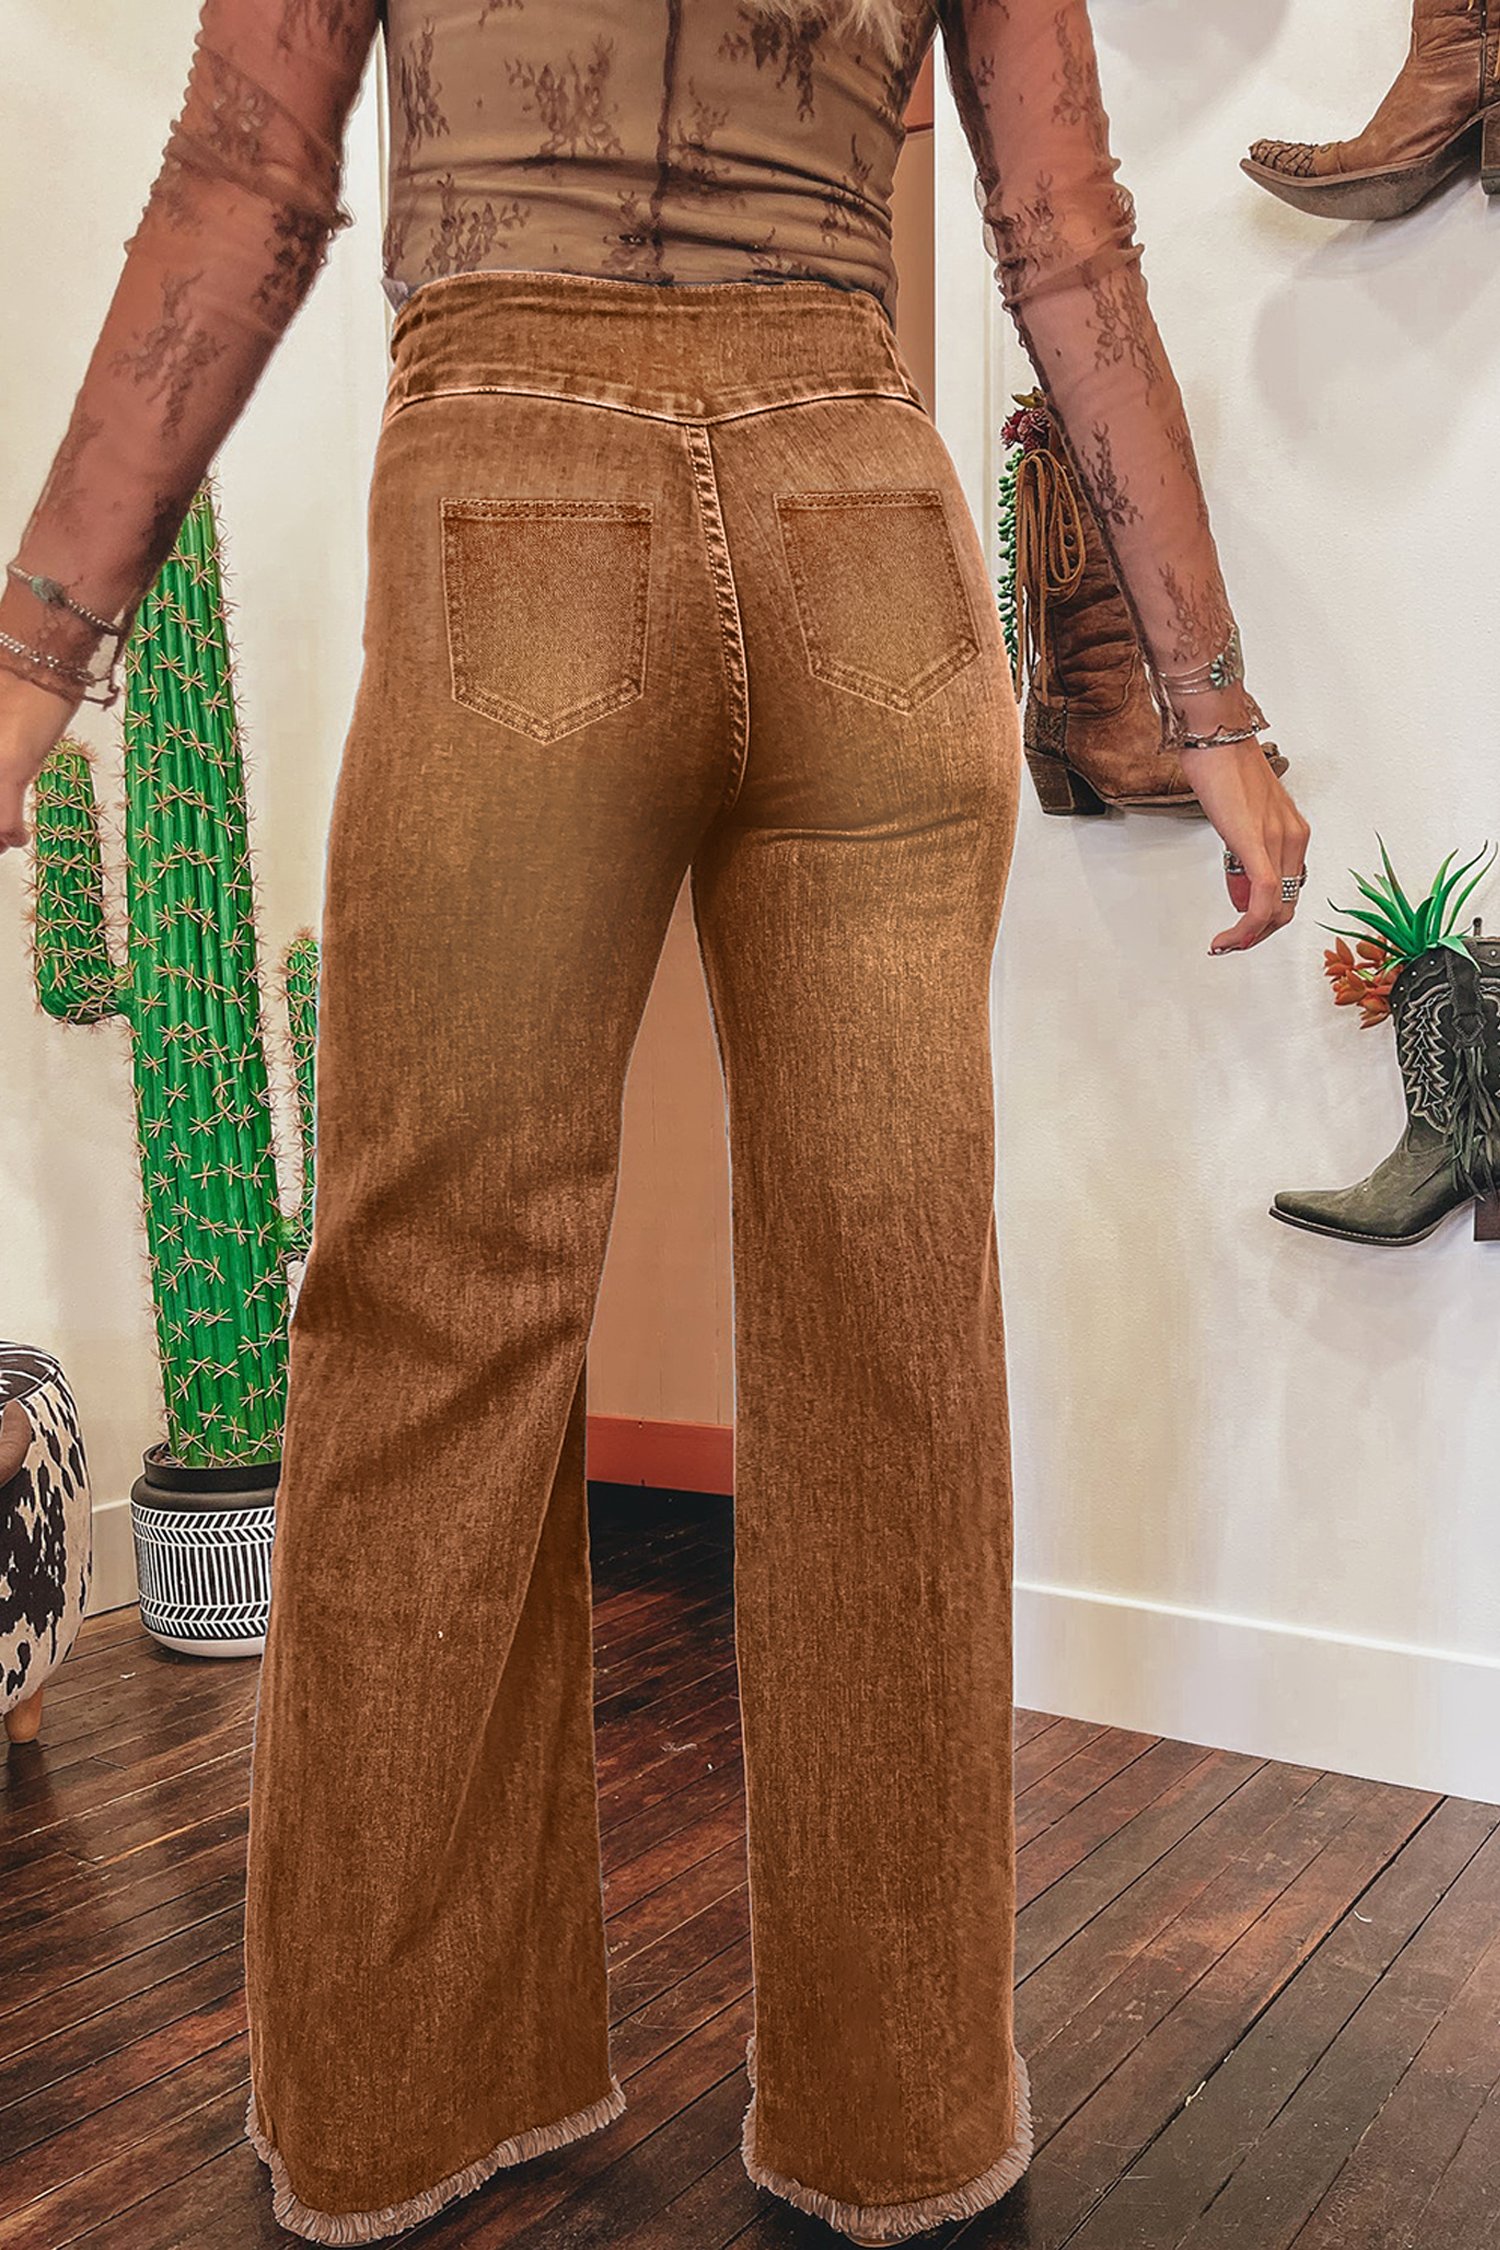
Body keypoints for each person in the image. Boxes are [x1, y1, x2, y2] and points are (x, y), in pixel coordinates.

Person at [0, 2, 1311, 2242]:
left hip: (512, 486)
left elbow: (248, 176)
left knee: (435, 1325)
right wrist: (1210, 707)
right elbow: (1063, 236)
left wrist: (38, 649)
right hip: (861, 518)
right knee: (894, 1357)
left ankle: (407, 2106)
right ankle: (903, 2124)